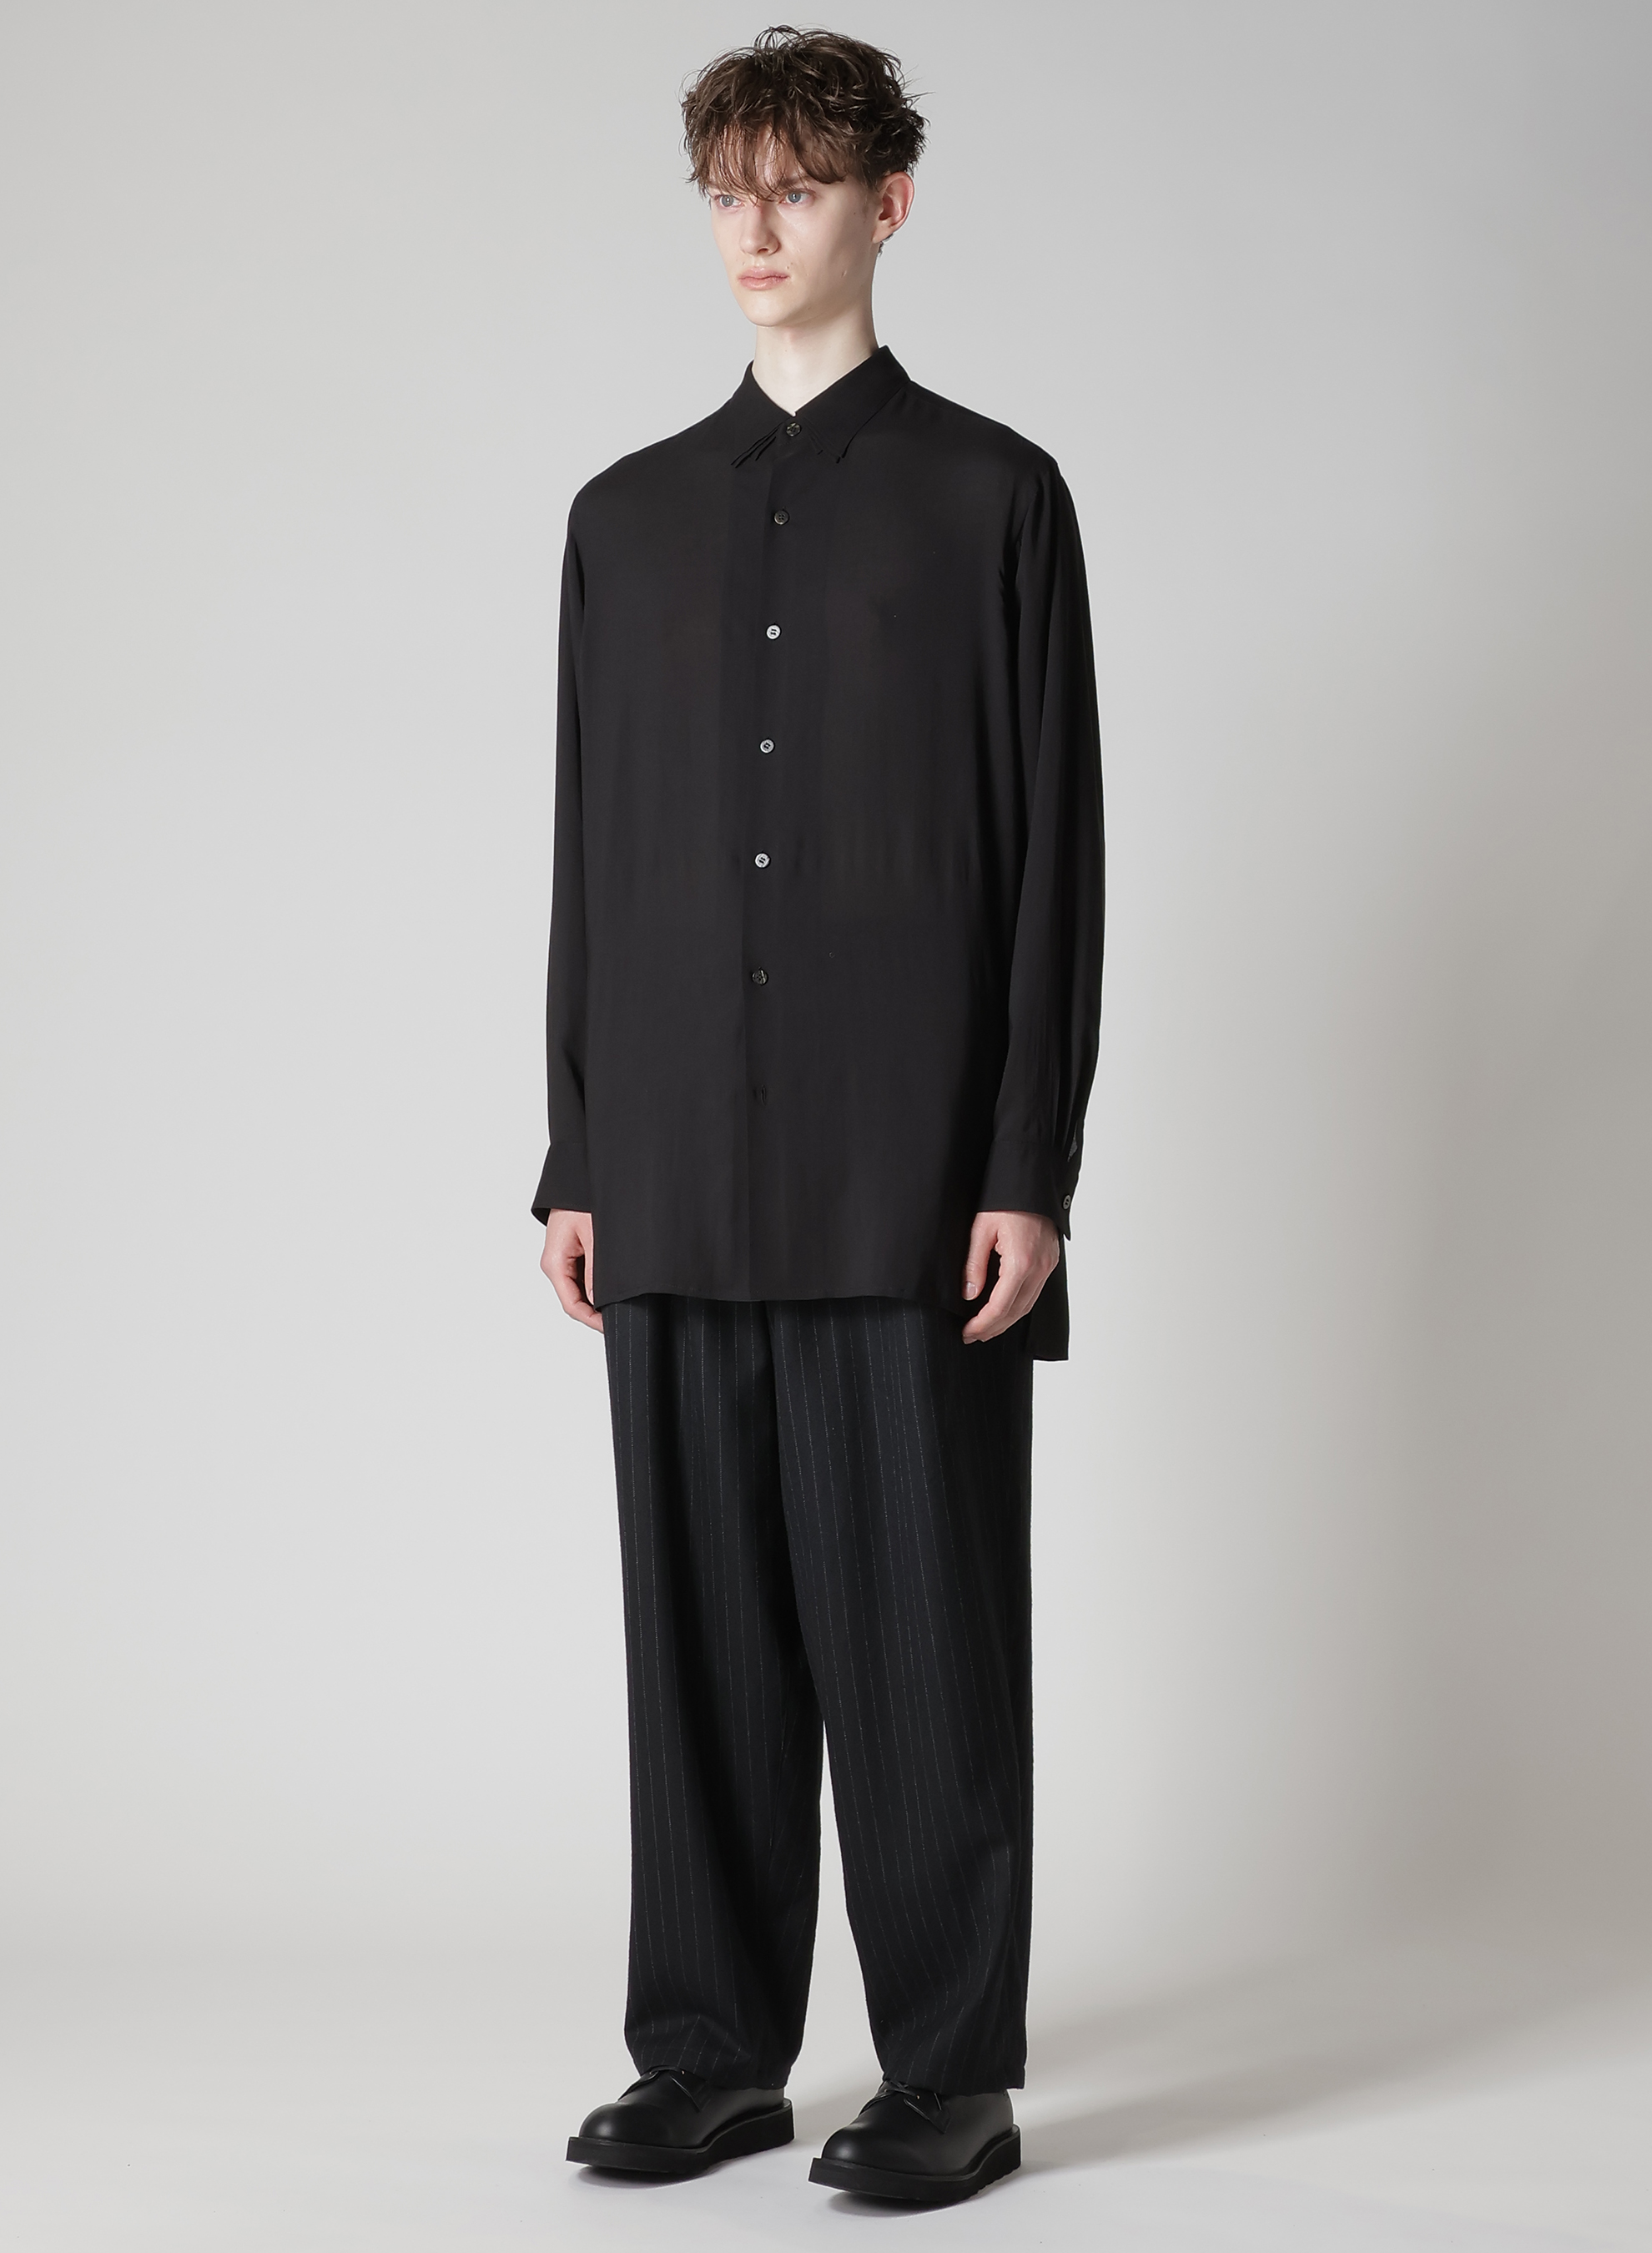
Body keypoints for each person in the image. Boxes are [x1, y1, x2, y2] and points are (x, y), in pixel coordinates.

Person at [535, 24, 1103, 2209]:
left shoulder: (993, 499)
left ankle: (950, 2066)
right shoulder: (621, 520)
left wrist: (1026, 1164)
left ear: (887, 202)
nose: (755, 228)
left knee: (925, 1638)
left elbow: (1053, 858)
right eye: (727, 191)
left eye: (796, 186)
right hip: (674, 1163)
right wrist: (578, 1148)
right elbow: (590, 857)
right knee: (696, 1647)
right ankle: (707, 2050)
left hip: (907, 1178)